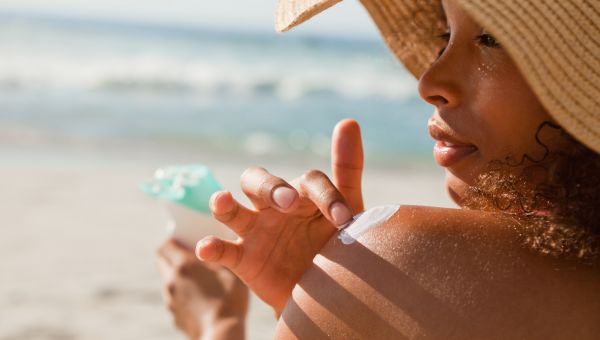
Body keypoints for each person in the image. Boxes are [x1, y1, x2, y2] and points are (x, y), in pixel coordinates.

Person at [158, 0, 600, 338]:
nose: (430, 82)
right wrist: (321, 306)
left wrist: (217, 320)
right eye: (446, 34)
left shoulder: (407, 256)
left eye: (491, 39)